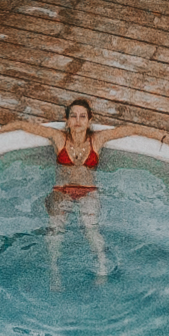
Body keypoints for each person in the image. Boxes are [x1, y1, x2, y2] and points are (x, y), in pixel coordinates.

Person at [46, 94, 109, 286]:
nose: (78, 121)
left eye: (83, 116)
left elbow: (132, 130)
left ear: (90, 121)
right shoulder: (59, 138)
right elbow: (23, 126)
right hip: (62, 190)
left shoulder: (97, 140)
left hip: (88, 190)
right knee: (55, 230)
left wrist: (165, 138)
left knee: (91, 228)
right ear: (66, 121)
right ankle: (55, 271)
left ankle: (102, 265)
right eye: (73, 116)